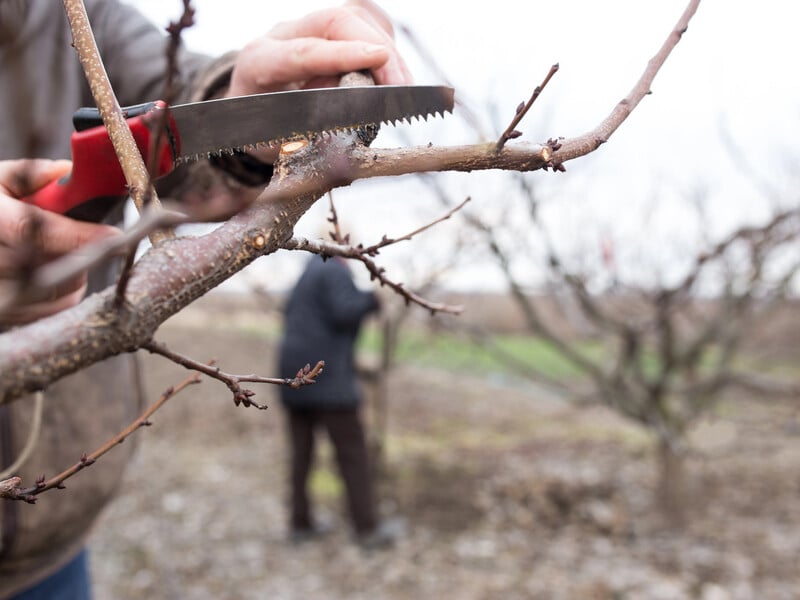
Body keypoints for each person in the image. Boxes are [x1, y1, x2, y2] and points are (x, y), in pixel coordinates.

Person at [0, 1, 411, 597]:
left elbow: (176, 90)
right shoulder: (332, 273)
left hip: (51, 540)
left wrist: (243, 115)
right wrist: (372, 306)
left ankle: (304, 522)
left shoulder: (73, 11)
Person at [279, 254, 394, 548]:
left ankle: (300, 523)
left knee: (301, 454)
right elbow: (345, 311)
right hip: (329, 380)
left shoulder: (305, 275)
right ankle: (366, 529)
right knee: (353, 454)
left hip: (293, 377)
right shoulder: (333, 269)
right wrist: (373, 299)